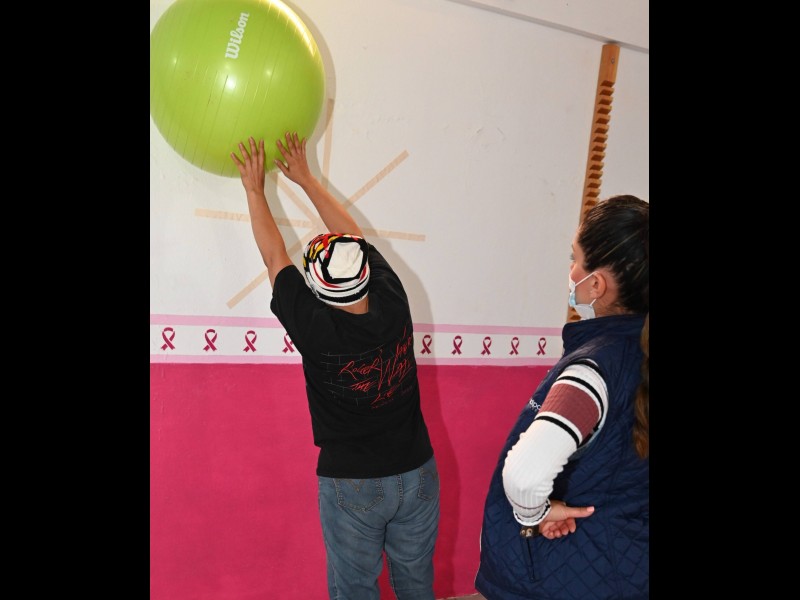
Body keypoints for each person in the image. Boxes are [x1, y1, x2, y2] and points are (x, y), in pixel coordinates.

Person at [230, 133, 440, 600]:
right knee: (417, 587)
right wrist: (306, 179)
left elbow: (274, 255)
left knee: (354, 591)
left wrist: (253, 189)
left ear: (319, 293)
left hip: (353, 484)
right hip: (418, 473)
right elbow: (355, 238)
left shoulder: (316, 329)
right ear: (366, 274)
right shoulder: (394, 299)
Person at [474, 195, 649, 600]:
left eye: (575, 259)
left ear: (597, 284)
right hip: (630, 565)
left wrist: (533, 513)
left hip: (563, 573)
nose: (571, 272)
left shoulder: (593, 370)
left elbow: (525, 473)